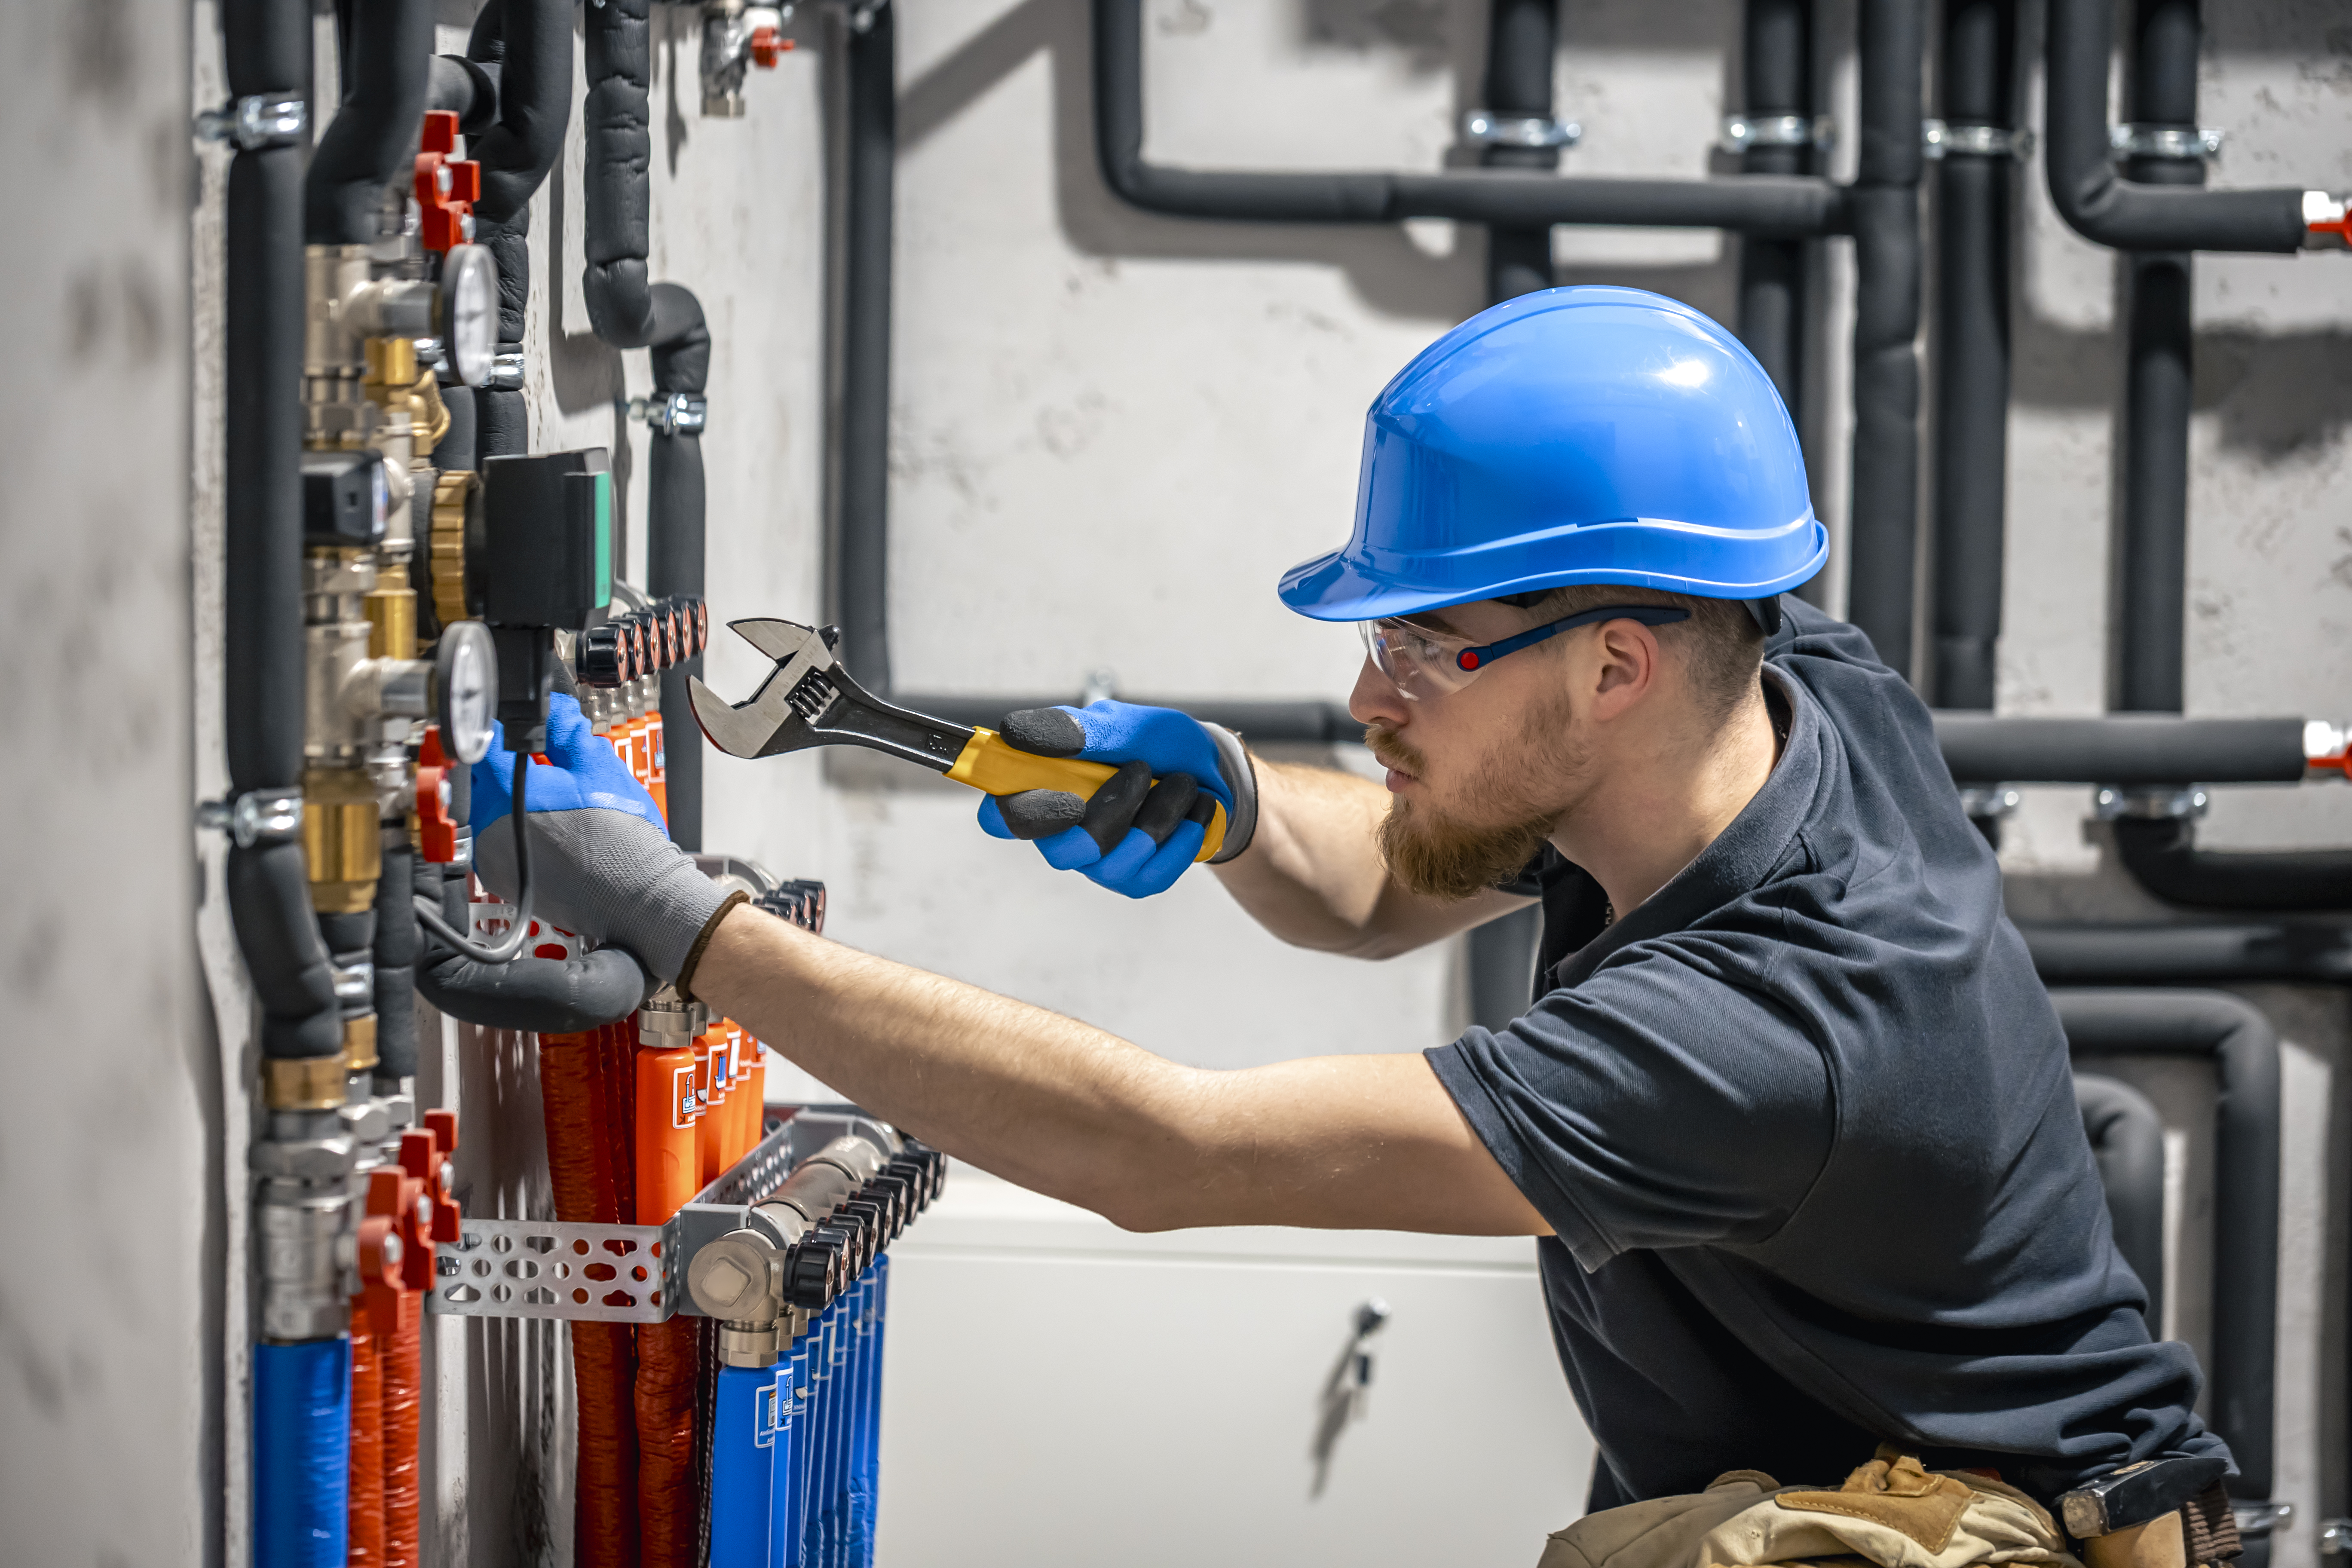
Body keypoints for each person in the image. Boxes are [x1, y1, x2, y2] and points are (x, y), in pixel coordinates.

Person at [473, 288, 2229, 1541]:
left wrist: (694, 928)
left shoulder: (1776, 1037)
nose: (1372, 699)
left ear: (1619, 664)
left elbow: (1171, 1154)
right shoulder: (1785, 687)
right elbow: (1401, 873)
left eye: (1419, 647)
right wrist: (1233, 800)